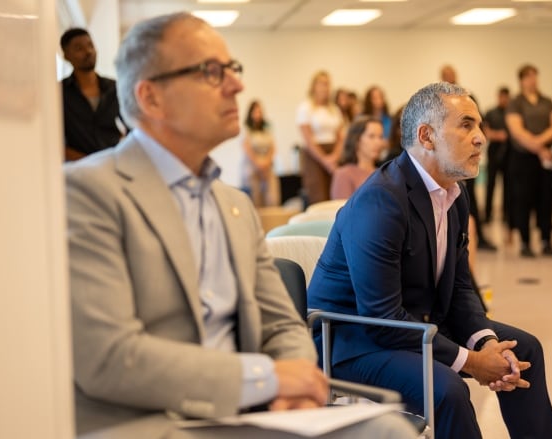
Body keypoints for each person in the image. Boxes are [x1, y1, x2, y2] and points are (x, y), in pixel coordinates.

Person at [66, 12, 415, 439]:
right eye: (210, 72)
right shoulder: (87, 191)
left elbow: (282, 323)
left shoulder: (233, 204)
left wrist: (298, 382)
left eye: (233, 69)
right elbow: (108, 358)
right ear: (151, 97)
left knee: (387, 429)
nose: (236, 84)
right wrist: (265, 379)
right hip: (148, 422)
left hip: (247, 413)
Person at [308, 82, 552, 439]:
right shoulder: (380, 201)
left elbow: (459, 287)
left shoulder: (454, 194)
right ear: (426, 136)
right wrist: (472, 362)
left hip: (416, 321)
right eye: (466, 125)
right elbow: (380, 319)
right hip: (355, 340)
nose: (480, 139)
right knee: (447, 388)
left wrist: (485, 343)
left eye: (480, 126)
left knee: (523, 351)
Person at [505, 64, 552, 257]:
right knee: (523, 200)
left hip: (546, 157)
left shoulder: (547, 101)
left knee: (546, 200)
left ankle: (546, 240)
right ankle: (525, 242)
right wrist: (539, 148)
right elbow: (517, 131)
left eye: (535, 76)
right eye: (528, 77)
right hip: (523, 158)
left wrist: (540, 144)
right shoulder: (516, 102)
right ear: (521, 80)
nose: (533, 80)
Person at [439, 64, 495, 251]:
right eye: (446, 76)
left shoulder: (467, 98)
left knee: (469, 198)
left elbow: (480, 125)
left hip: (465, 157)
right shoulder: (437, 101)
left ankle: (476, 235)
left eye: (452, 76)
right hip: (448, 161)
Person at [60, 28, 124, 161]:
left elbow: (132, 126)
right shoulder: (60, 92)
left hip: (114, 165)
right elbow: (55, 139)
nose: (88, 52)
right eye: (79, 48)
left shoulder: (115, 87)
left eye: (90, 45)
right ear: (66, 55)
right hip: (77, 168)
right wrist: (89, 163)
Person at [297, 71, 345, 205]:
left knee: (335, 195)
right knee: (318, 197)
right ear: (314, 86)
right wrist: (324, 160)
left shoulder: (334, 109)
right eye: (322, 83)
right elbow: (308, 138)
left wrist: (335, 156)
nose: (325, 87)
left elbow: (340, 136)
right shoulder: (305, 108)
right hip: (314, 156)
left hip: (333, 153)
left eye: (328, 84)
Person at [330, 117, 384, 199]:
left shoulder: (383, 173)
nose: (378, 142)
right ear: (357, 140)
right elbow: (342, 209)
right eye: (371, 136)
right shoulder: (343, 174)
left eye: (380, 137)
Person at [241, 100, 280, 207]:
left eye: (260, 111)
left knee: (272, 199)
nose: (258, 114)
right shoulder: (247, 131)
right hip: (252, 169)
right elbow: (247, 149)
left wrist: (266, 163)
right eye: (255, 112)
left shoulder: (267, 130)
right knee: (256, 199)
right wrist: (258, 164)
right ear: (251, 114)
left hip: (267, 168)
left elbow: (272, 148)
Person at [483, 87, 511, 226]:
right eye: (501, 97)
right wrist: (499, 135)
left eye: (506, 97)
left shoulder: (511, 113)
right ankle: (487, 215)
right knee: (490, 185)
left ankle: (506, 215)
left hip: (508, 153)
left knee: (507, 186)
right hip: (494, 153)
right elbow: (486, 132)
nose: (503, 99)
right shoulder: (490, 113)